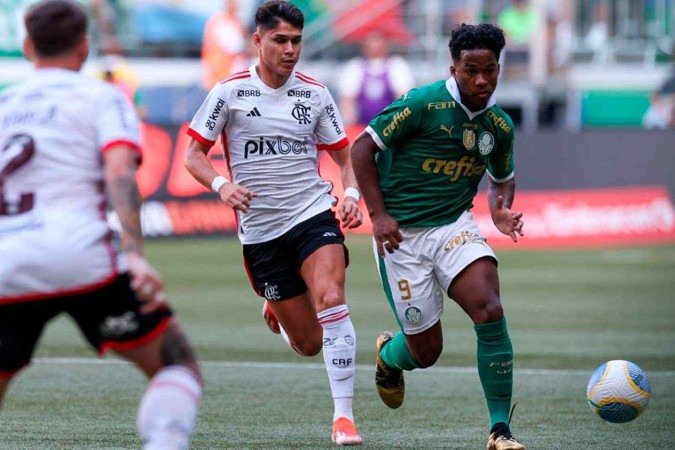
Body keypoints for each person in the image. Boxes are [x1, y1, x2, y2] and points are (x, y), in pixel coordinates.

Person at [0, 2, 202, 449]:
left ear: (28, 46)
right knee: (176, 364)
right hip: (81, 259)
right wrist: (134, 256)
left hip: (7, 265)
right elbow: (119, 172)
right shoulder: (102, 97)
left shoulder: (4, 103)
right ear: (84, 46)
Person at [184, 1, 363, 446]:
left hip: (311, 213)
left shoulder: (314, 94)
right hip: (261, 233)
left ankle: (344, 418)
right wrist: (222, 186)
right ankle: (279, 309)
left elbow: (345, 158)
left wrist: (351, 196)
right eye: (280, 40)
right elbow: (193, 155)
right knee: (309, 343)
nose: (290, 50)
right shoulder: (229, 92)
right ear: (257, 40)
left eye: (296, 41)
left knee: (332, 297)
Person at [351, 23, 526, 450]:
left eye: (490, 70)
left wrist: (499, 209)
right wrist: (379, 215)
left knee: (489, 307)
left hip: (453, 226)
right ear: (454, 69)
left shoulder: (499, 126)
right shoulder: (423, 104)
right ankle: (389, 355)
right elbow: (361, 149)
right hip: (401, 237)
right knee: (426, 352)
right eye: (471, 71)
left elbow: (502, 178)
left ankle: (499, 430)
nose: (481, 80)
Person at [338, 31, 415, 127]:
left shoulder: (397, 65)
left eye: (377, 40)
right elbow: (347, 100)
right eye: (370, 40)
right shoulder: (355, 66)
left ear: (386, 43)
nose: (374, 44)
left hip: (390, 126)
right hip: (362, 126)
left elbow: (403, 99)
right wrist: (350, 123)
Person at [201, 0, 249, 89]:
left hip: (226, 79)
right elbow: (236, 46)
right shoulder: (222, 22)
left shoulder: (233, 21)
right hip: (223, 77)